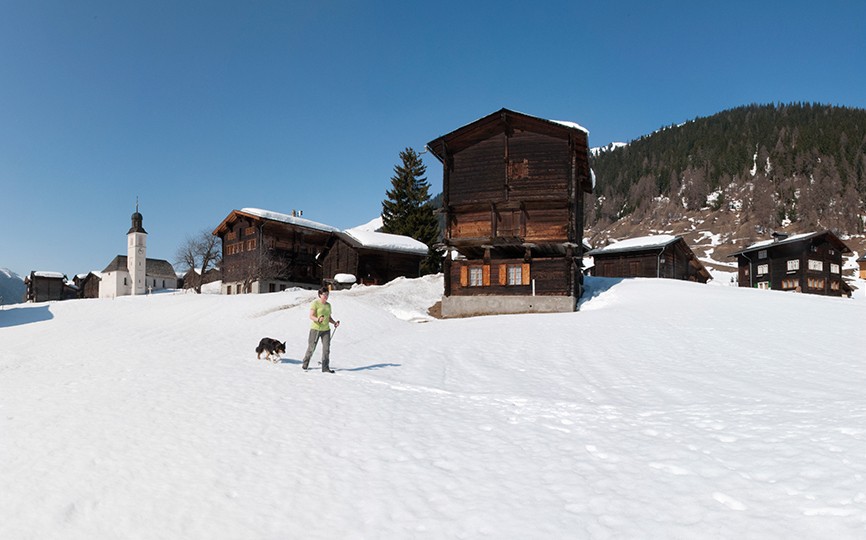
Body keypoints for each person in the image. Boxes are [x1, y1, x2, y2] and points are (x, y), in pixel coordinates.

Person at [301, 286, 340, 373]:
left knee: (326, 349)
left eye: (327, 294)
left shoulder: (328, 305)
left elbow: (328, 317)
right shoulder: (315, 303)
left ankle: (325, 367)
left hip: (326, 330)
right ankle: (305, 363)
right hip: (316, 329)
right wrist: (318, 319)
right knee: (312, 347)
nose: (326, 296)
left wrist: (334, 323)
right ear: (320, 295)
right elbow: (311, 316)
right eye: (324, 294)